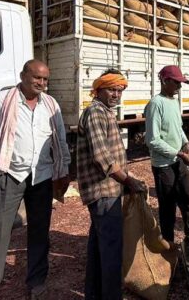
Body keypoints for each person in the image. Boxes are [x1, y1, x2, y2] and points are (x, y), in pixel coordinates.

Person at [0, 60, 72, 300]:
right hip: (8, 176)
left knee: (39, 232)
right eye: (37, 77)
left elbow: (60, 139)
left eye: (45, 79)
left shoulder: (50, 104)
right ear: (22, 75)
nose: (41, 83)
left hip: (41, 177)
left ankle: (37, 282)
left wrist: (64, 170)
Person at [77, 69, 147, 300]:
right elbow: (102, 157)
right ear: (98, 90)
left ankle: (94, 294)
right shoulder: (96, 112)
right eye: (111, 90)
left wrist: (125, 179)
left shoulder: (105, 112)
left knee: (99, 249)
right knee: (111, 252)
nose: (116, 95)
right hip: (103, 191)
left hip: (108, 189)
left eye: (119, 90)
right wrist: (128, 180)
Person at [144, 65, 189, 246]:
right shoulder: (155, 104)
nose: (179, 87)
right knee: (168, 209)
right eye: (176, 83)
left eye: (181, 83)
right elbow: (153, 140)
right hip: (164, 165)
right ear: (165, 81)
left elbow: (178, 128)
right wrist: (179, 153)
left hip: (178, 161)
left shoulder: (174, 102)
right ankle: (169, 249)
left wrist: (186, 144)